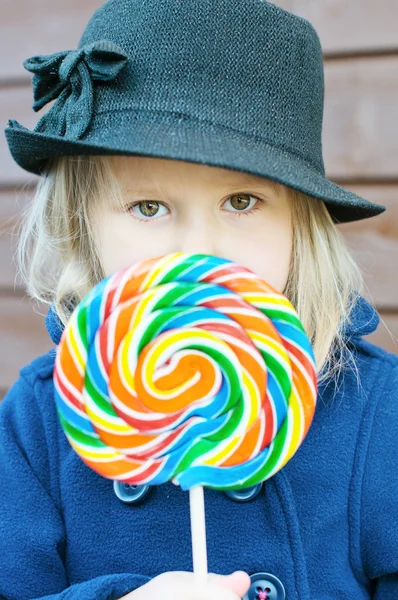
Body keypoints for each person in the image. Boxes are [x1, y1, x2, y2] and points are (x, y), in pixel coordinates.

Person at [1, 0, 397, 599]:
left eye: (241, 202)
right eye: (148, 207)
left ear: (301, 224)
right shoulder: (35, 424)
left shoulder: (380, 413)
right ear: (83, 224)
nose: (198, 249)